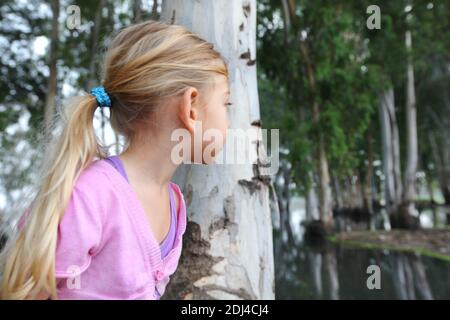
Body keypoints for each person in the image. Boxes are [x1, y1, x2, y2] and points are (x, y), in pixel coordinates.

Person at [0, 19, 230, 300]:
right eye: (225, 103)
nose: (228, 118)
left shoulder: (174, 202)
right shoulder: (90, 197)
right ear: (191, 108)